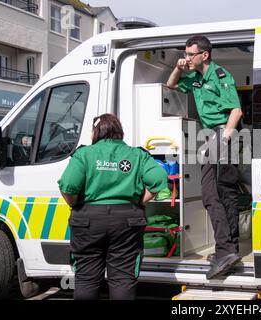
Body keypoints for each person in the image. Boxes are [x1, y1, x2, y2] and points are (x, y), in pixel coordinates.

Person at [58, 113, 167, 300]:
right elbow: (159, 179)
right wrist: (141, 200)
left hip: (88, 221)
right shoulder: (137, 155)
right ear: (119, 132)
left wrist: (73, 202)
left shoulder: (84, 154)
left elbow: (68, 185)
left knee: (86, 279)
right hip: (127, 222)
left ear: (95, 132)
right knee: (123, 279)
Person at [167, 35, 243, 280]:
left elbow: (236, 110)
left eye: (190, 54)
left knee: (211, 195)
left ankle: (225, 250)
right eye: (186, 54)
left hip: (222, 134)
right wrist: (178, 68)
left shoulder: (221, 75)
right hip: (212, 135)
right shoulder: (196, 78)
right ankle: (230, 249)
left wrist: (223, 140)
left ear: (205, 55)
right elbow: (171, 85)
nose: (187, 57)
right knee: (225, 194)